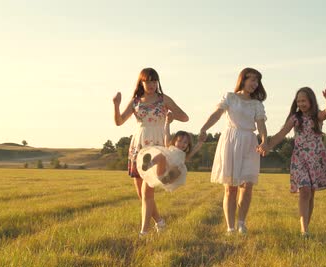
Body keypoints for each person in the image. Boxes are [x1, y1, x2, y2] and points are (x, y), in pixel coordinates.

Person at [113, 68, 189, 236]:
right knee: (141, 193)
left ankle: (144, 232)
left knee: (148, 192)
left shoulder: (163, 99)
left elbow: (185, 117)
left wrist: (171, 116)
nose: (152, 85)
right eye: (148, 81)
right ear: (142, 82)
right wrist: (116, 105)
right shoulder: (135, 101)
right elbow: (119, 122)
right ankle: (160, 222)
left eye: (155, 81)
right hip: (139, 144)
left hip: (157, 144)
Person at [259, 86, 326, 237]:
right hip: (300, 159)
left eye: (304, 100)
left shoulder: (317, 116)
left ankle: (306, 227)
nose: (301, 103)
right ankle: (304, 230)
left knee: (311, 194)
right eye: (298, 101)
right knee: (304, 190)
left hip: (316, 159)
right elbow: (281, 134)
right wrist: (267, 146)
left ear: (311, 101)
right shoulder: (295, 118)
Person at [198, 67, 268, 235]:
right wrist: (204, 128)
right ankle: (230, 227)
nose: (255, 83)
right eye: (252, 79)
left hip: (250, 142)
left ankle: (241, 224)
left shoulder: (257, 104)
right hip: (230, 140)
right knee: (230, 188)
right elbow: (217, 114)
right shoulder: (230, 97)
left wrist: (264, 140)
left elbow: (261, 124)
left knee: (247, 185)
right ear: (243, 80)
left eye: (257, 81)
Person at [137, 112, 203, 192]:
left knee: (178, 169)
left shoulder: (185, 155)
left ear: (188, 145)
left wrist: (200, 141)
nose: (182, 144)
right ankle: (148, 164)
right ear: (174, 141)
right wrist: (167, 122)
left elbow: (196, 149)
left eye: (185, 142)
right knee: (161, 156)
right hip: (162, 172)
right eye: (180, 141)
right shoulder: (169, 147)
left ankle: (167, 178)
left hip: (171, 176)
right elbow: (166, 134)